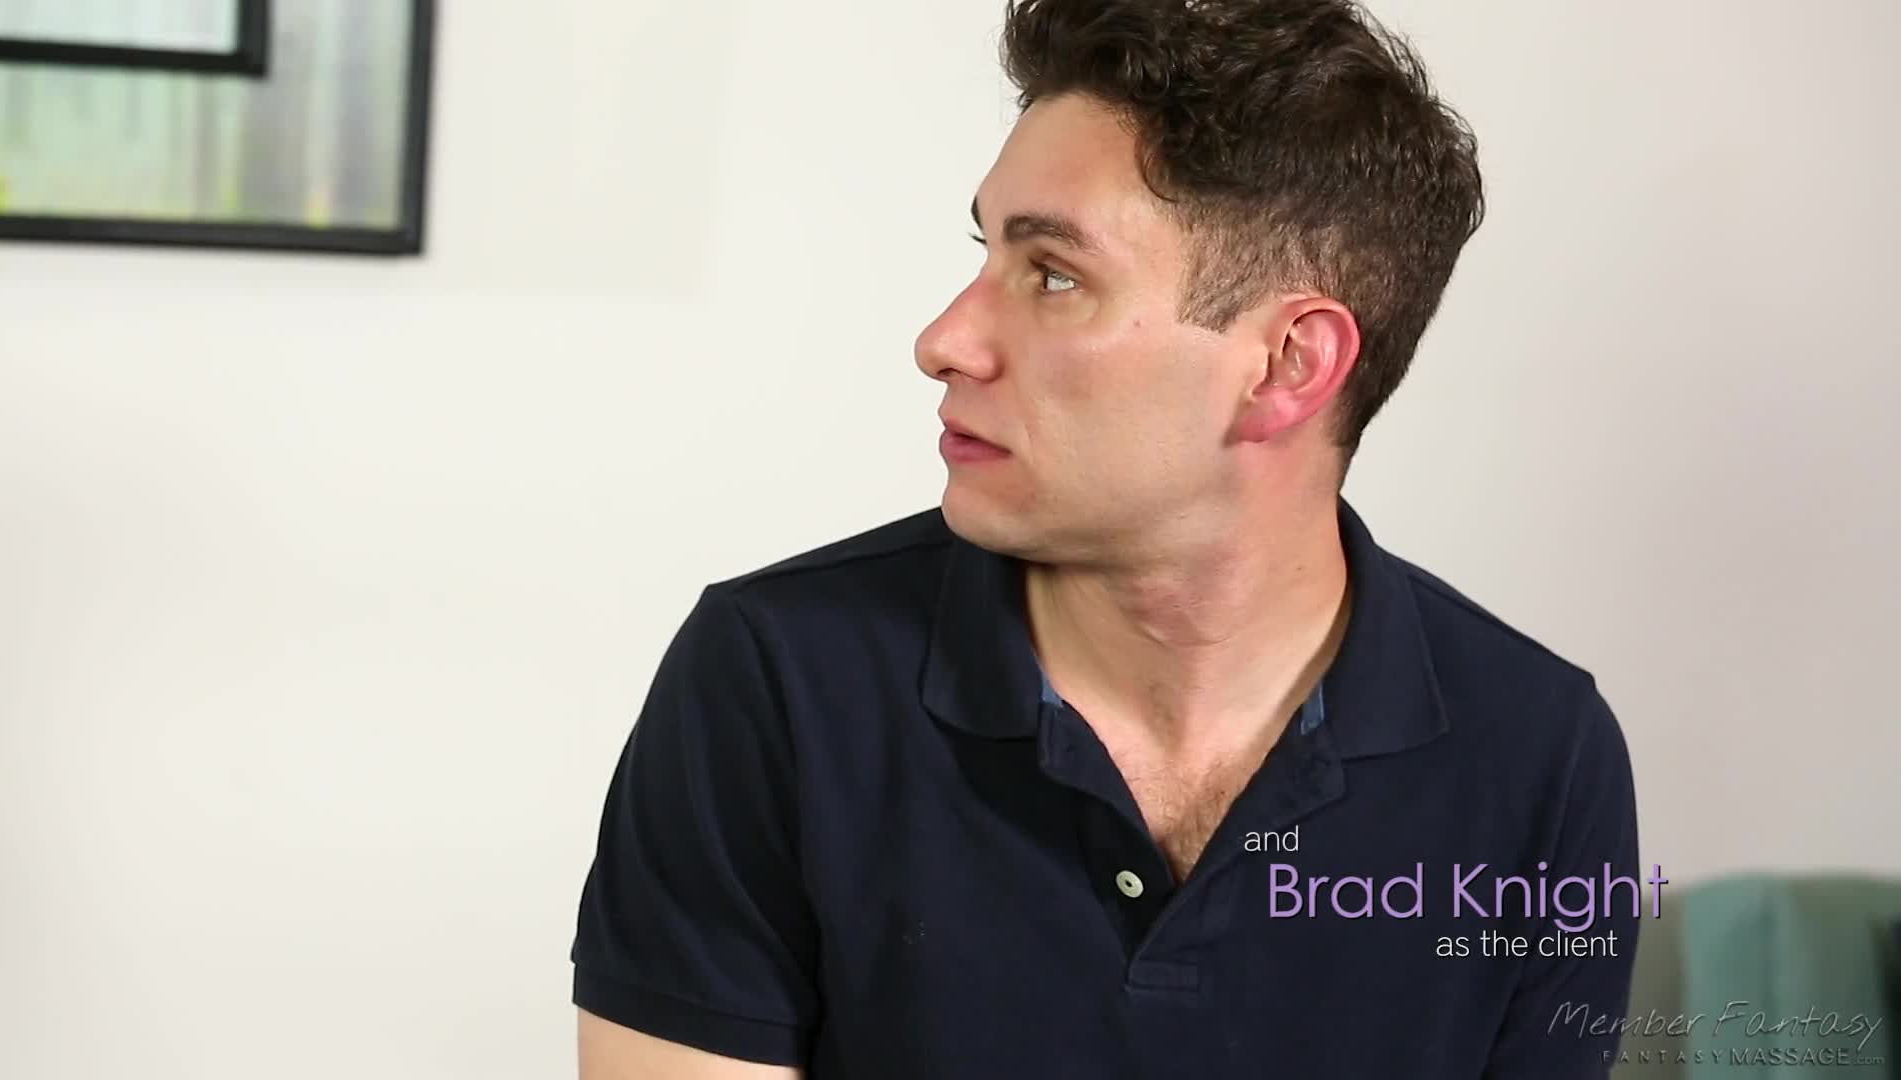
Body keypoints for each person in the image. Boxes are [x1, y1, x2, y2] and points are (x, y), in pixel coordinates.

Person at [571, 0, 1641, 1076]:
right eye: (988, 253)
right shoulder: (779, 682)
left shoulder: (1542, 759)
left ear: (1288, 366)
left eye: (1053, 275)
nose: (943, 341)